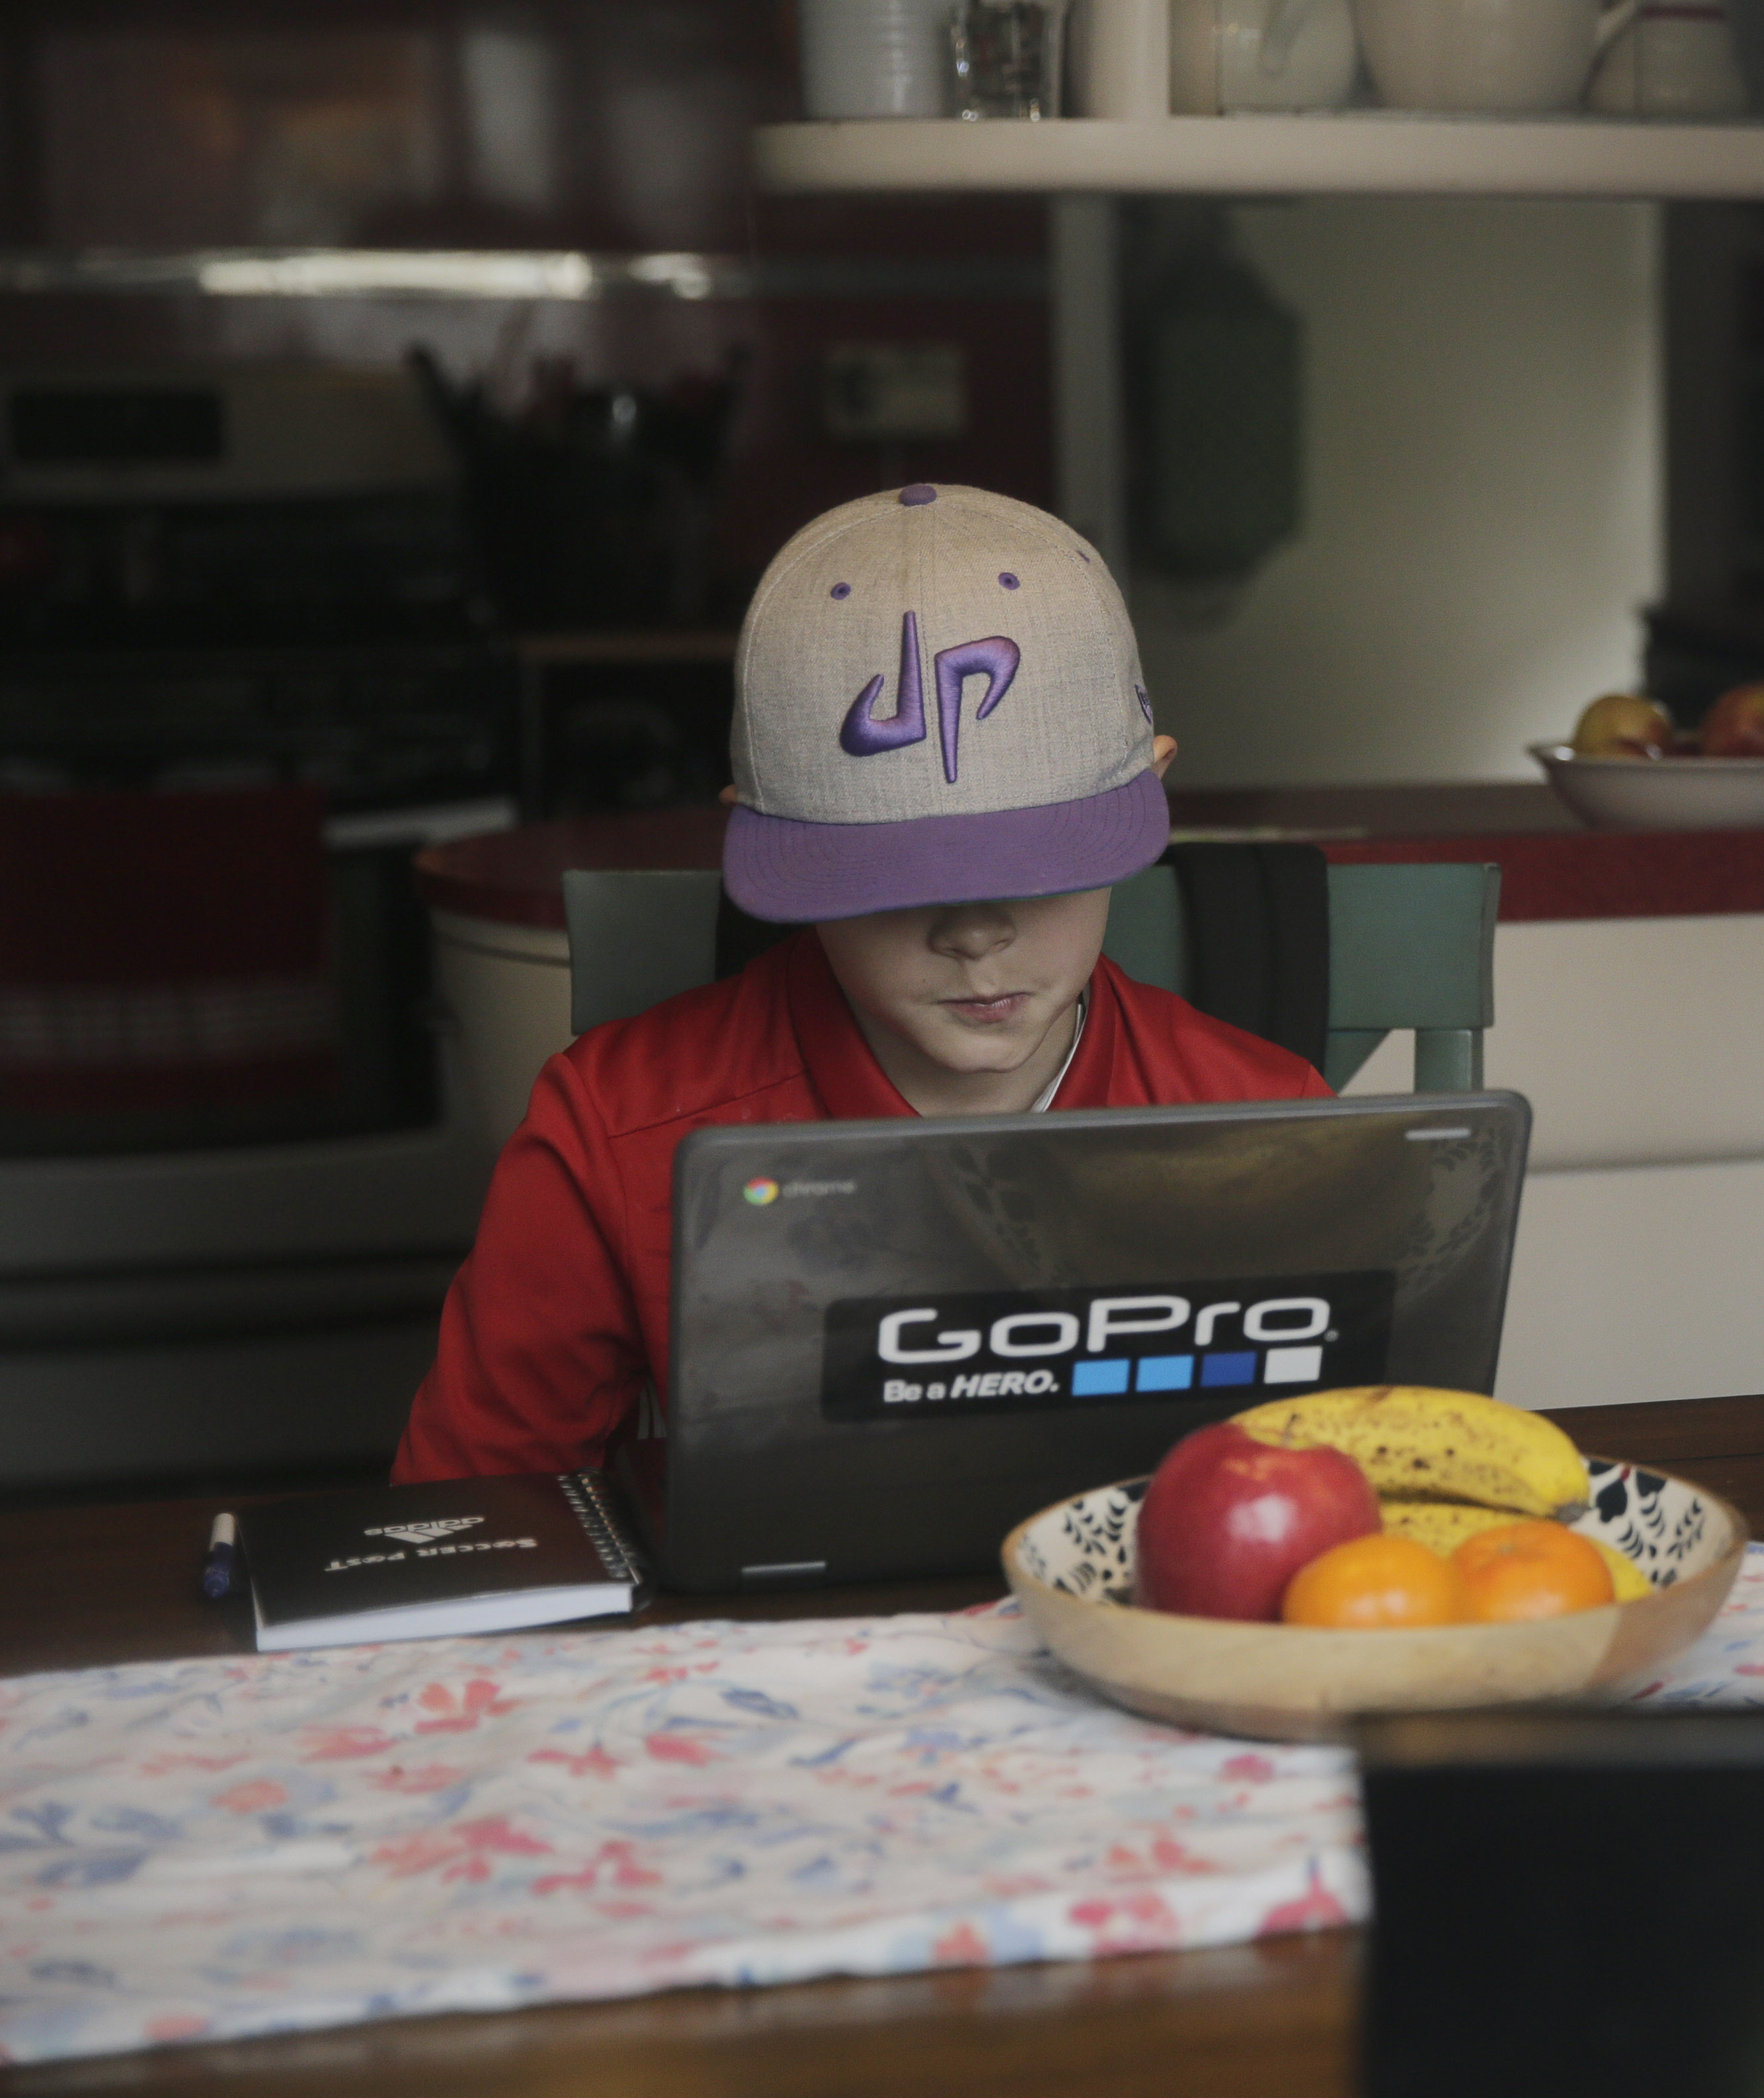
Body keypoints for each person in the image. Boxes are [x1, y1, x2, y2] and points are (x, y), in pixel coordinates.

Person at [393, 485, 1327, 1480]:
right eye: (894, 880)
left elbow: (1340, 1504)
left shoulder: (1270, 1126)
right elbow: (468, 1518)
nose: (975, 932)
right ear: (765, 839)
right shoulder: (613, 1128)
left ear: (1154, 779)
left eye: (1041, 865)